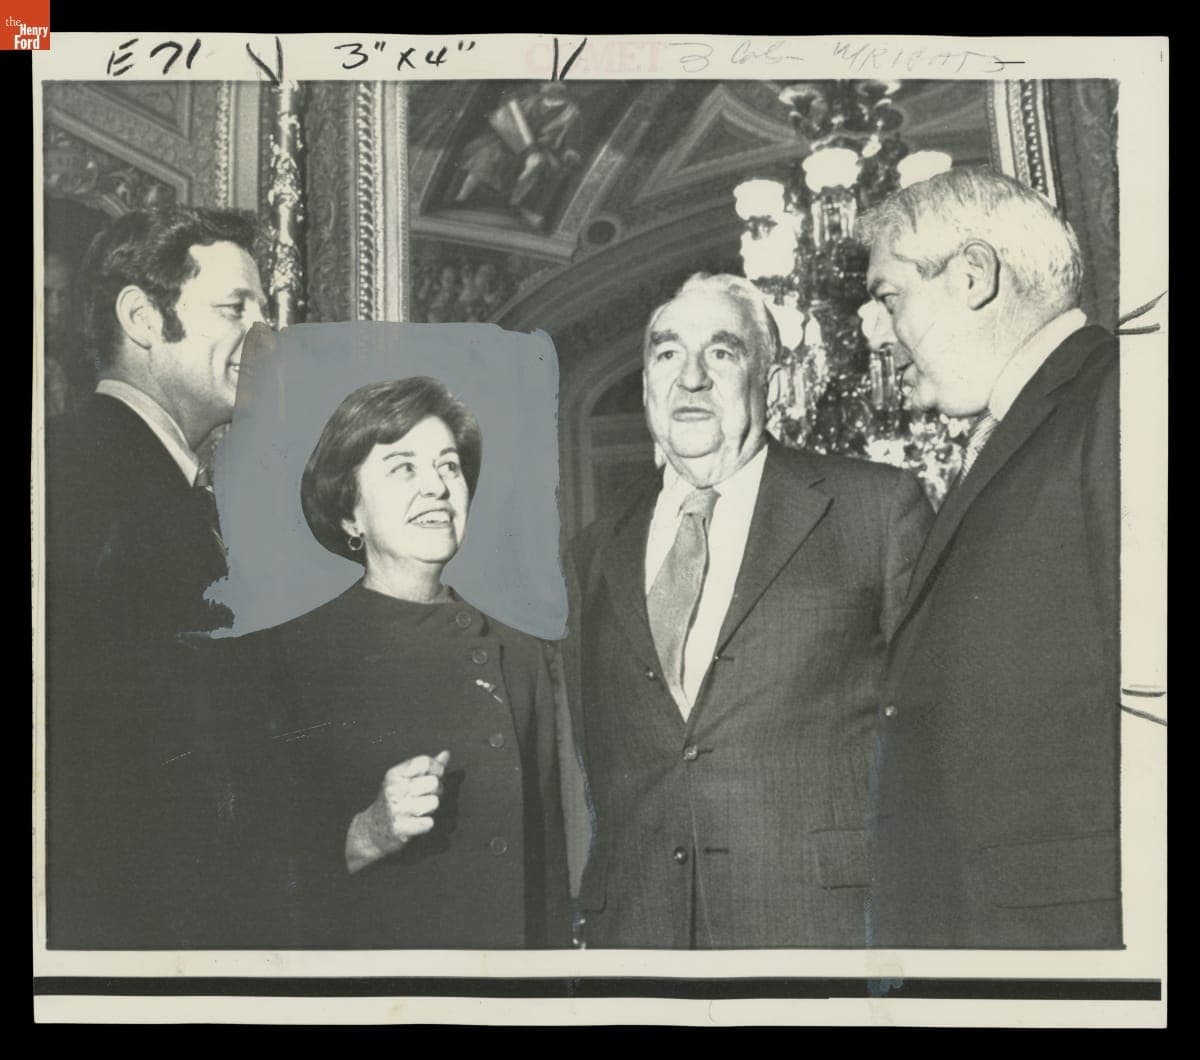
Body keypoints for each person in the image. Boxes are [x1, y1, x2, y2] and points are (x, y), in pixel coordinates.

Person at [564, 274, 933, 948]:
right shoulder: (595, 548)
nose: (692, 378)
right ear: (647, 383)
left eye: (723, 354)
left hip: (822, 935)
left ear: (772, 380)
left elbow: (937, 735)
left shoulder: (876, 511)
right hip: (641, 941)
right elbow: (591, 749)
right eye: (667, 354)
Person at [857, 167, 1121, 948]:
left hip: (1078, 935)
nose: (877, 333)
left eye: (889, 297)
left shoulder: (1122, 401)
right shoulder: (1038, 417)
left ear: (971, 276)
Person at [218, 378, 570, 948]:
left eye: (450, 466)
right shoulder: (282, 658)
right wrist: (367, 834)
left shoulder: (520, 654)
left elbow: (547, 875)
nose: (436, 487)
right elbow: (238, 875)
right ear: (349, 512)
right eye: (403, 468)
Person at [43, 206, 268, 947]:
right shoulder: (80, 479)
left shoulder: (151, 479)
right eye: (237, 308)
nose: (265, 335)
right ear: (141, 317)